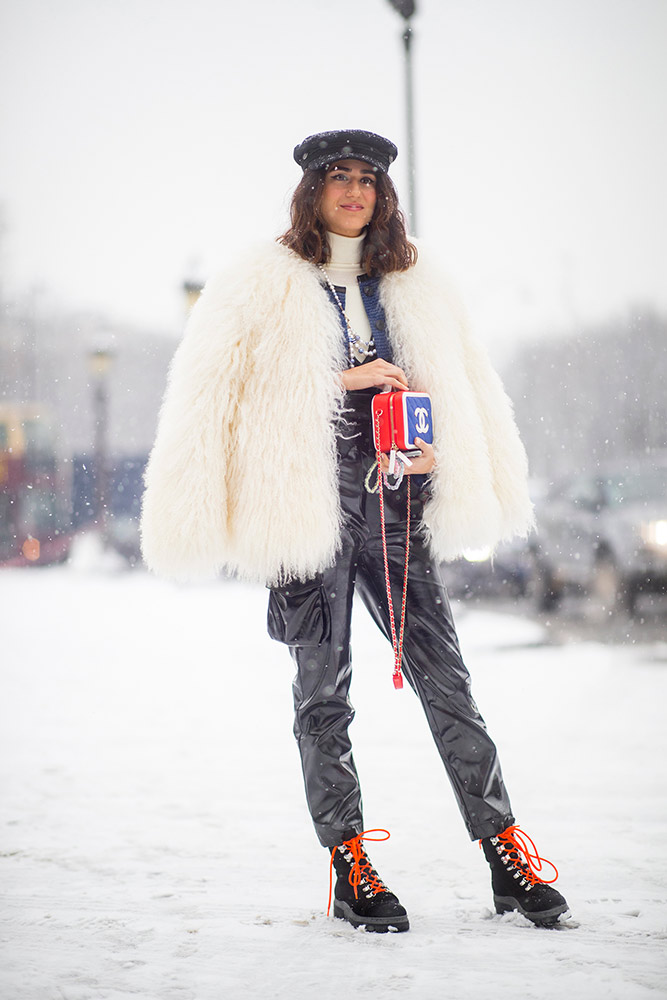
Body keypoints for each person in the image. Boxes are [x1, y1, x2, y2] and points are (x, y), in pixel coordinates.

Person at [141, 129, 570, 932]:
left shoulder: (416, 282)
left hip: (395, 499)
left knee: (449, 686)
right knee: (322, 694)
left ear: (383, 194)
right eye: (337, 177)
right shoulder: (258, 283)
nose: (353, 191)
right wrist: (342, 379)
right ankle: (349, 866)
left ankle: (504, 852)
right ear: (310, 190)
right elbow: (222, 402)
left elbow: (464, 384)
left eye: (366, 179)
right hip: (305, 504)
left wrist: (440, 446)